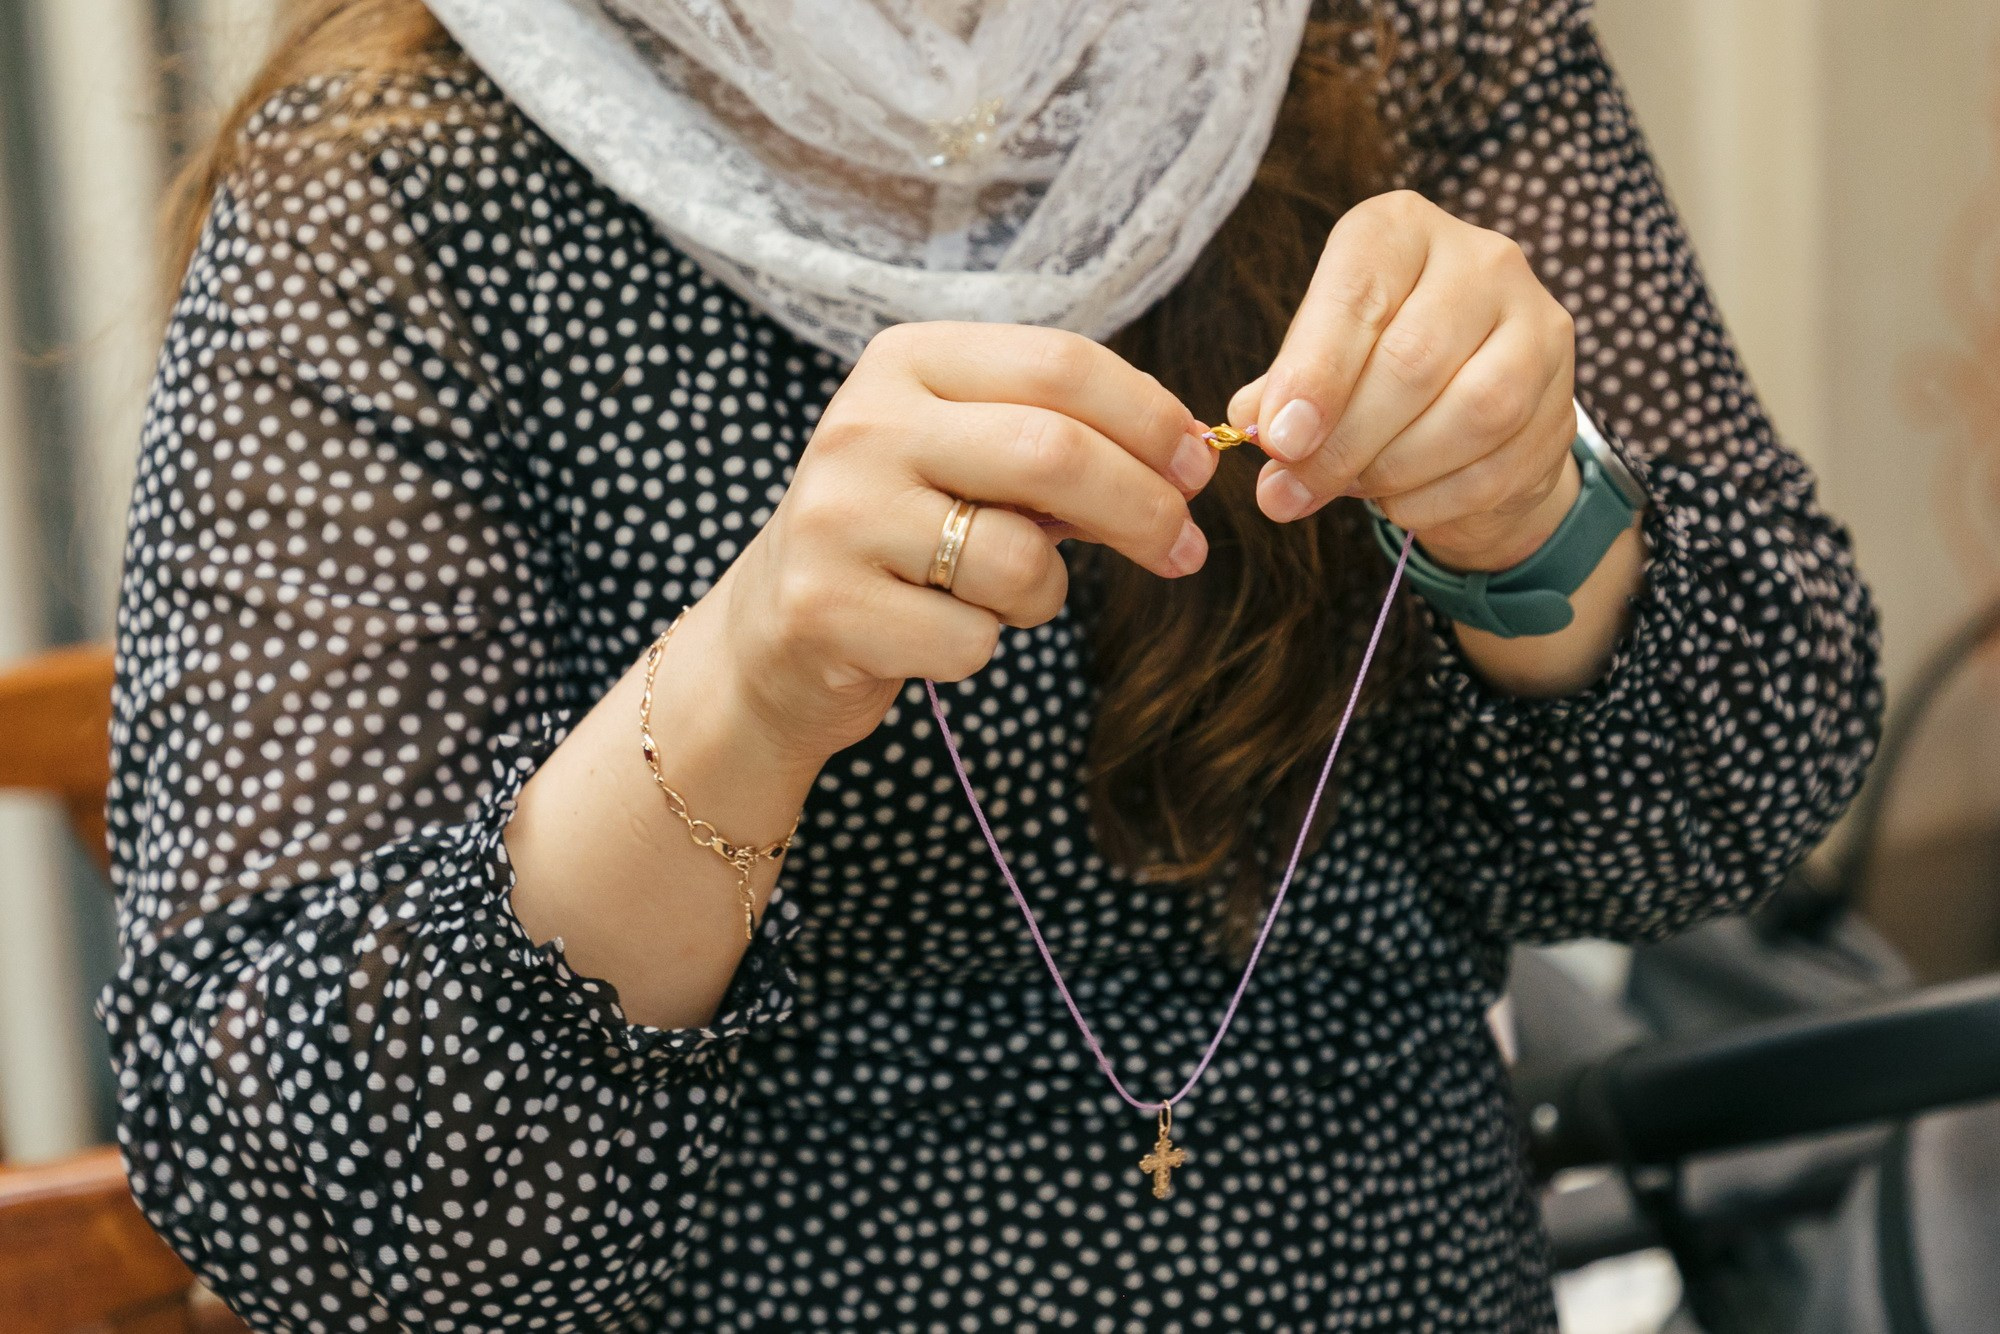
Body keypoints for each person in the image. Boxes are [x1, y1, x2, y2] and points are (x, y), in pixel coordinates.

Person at [99, 0, 1882, 1328]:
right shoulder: (399, 177)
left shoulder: (1406, 33)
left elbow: (1744, 793)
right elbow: (299, 1189)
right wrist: (742, 694)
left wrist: (1532, 511)